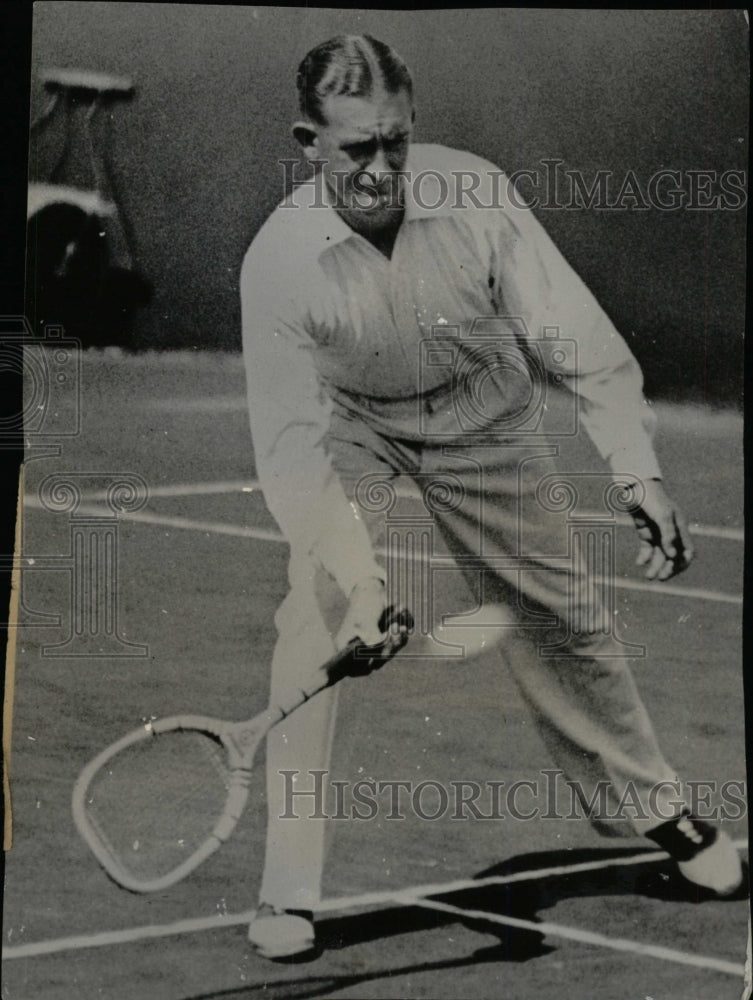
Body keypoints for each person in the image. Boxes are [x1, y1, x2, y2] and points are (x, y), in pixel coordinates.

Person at [240, 35, 743, 959]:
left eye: (395, 141)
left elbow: (575, 333)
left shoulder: (472, 193)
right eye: (356, 148)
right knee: (313, 623)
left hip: (484, 417)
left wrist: (636, 470)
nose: (381, 168)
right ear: (307, 140)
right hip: (354, 426)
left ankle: (659, 813)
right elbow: (290, 449)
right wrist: (359, 581)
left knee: (566, 620)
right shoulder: (277, 263)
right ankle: (290, 893)